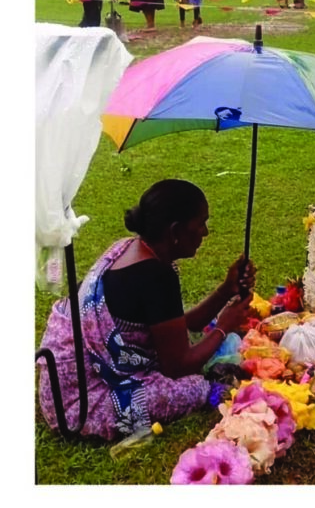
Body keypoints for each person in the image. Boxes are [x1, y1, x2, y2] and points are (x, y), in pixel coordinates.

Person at [37, 180, 256, 440]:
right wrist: (223, 327)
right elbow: (177, 367)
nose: (205, 232)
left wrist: (226, 290)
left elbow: (180, 325)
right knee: (194, 388)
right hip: (79, 405)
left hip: (65, 388)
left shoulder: (132, 248)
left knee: (193, 348)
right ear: (175, 230)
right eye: (200, 224)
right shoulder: (155, 275)